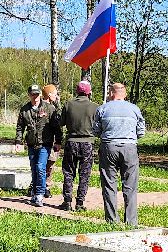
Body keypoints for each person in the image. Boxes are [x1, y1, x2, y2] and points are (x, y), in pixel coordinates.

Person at [95, 81, 146, 226]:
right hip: (129, 148)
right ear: (125, 94)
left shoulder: (102, 109)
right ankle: (131, 221)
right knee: (130, 185)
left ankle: (112, 220)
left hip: (109, 147)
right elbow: (141, 131)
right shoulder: (134, 109)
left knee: (109, 184)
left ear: (111, 93)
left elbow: (96, 130)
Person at [56, 80, 99, 211]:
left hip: (71, 142)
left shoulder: (68, 104)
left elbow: (61, 122)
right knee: (85, 173)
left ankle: (67, 201)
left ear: (76, 91)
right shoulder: (95, 107)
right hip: (87, 143)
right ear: (89, 92)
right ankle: (80, 202)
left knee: (68, 172)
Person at [16, 84, 55, 208]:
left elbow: (55, 126)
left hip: (45, 143)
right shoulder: (25, 110)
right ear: (29, 95)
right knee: (34, 169)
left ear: (40, 95)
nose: (35, 97)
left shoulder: (49, 108)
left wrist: (58, 141)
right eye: (33, 94)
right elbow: (20, 127)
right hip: (31, 143)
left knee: (40, 167)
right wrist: (18, 141)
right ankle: (34, 192)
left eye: (37, 94)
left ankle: (39, 194)